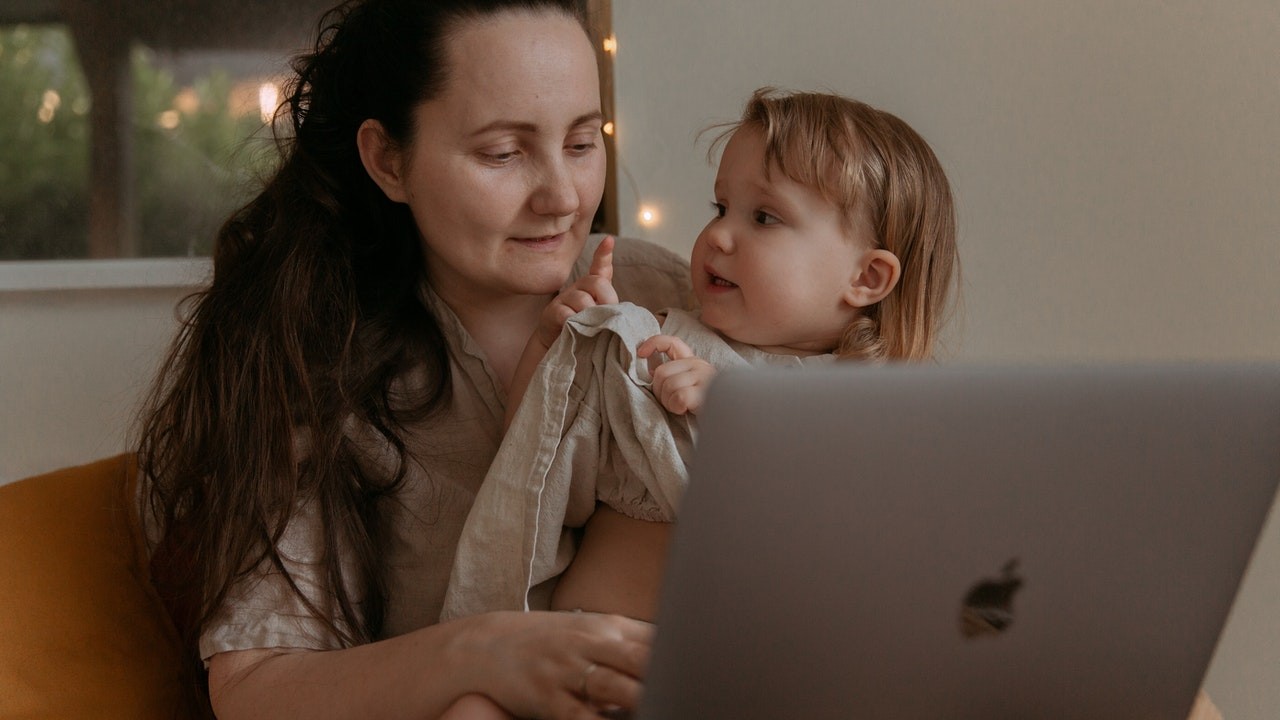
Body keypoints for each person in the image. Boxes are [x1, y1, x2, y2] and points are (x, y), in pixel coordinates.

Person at [134, 1, 694, 718]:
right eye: (503, 152)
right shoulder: (312, 360)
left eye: (583, 144)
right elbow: (252, 690)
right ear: (388, 161)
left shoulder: (667, 290)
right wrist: (487, 652)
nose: (563, 197)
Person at [442, 87, 960, 628]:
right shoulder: (652, 341)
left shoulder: (872, 404)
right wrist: (553, 349)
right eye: (720, 207)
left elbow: (859, 543)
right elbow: (534, 459)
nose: (717, 235)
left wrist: (739, 412)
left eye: (763, 217)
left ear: (866, 277)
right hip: (572, 655)